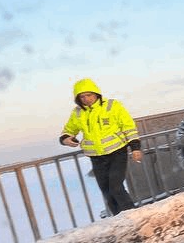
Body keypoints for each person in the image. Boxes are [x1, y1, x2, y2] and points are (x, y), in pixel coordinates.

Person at [59, 77, 142, 216]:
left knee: (116, 187)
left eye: (89, 95)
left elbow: (129, 127)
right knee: (106, 190)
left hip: (117, 152)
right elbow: (68, 130)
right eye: (82, 96)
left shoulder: (112, 106)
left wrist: (135, 147)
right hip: (96, 157)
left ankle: (133, 216)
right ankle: (119, 219)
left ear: (96, 93)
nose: (86, 99)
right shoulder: (77, 113)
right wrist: (65, 139)